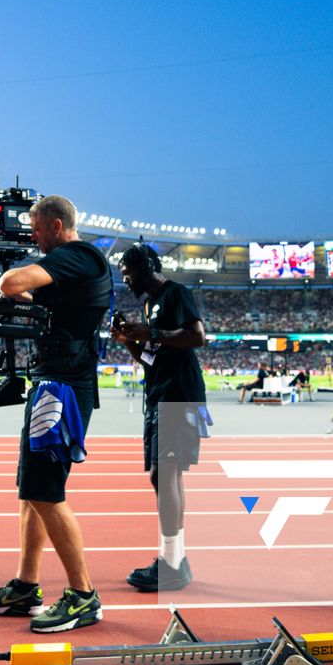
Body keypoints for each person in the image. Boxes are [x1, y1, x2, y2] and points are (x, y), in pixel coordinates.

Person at [0, 194, 112, 633]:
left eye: (34, 229)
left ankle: (84, 596)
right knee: (31, 489)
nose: (31, 236)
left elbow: (12, 285)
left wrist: (9, 272)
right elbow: (35, 294)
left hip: (65, 388)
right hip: (55, 382)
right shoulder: (71, 271)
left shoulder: (78, 255)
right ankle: (26, 585)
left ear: (55, 225)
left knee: (47, 490)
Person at [112, 244, 209, 592]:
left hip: (179, 395)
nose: (125, 277)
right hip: (160, 395)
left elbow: (198, 336)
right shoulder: (150, 305)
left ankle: (171, 563)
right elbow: (151, 358)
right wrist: (127, 339)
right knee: (162, 477)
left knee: (164, 473)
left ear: (147, 266)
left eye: (128, 269)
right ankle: (174, 558)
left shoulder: (174, 293)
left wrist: (149, 332)